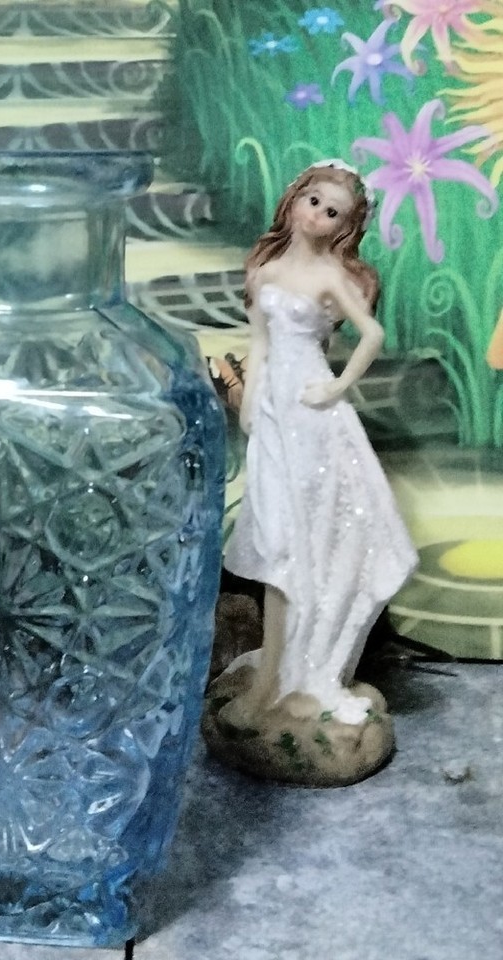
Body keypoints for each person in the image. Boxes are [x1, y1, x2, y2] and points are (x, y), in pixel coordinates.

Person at [222, 160, 418, 727]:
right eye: (313, 202)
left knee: (300, 541)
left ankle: (284, 680)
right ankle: (276, 675)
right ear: (294, 200)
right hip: (274, 413)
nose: (317, 217)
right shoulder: (264, 270)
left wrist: (336, 386)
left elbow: (372, 334)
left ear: (344, 226)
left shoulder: (331, 276)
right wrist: (250, 405)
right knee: (275, 537)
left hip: (312, 416)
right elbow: (259, 344)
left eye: (332, 213)